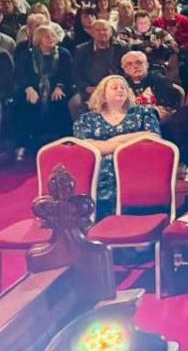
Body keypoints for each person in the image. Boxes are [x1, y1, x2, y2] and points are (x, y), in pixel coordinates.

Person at [72, 75, 162, 216]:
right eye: (114, 88)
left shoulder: (143, 113)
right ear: (103, 94)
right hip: (101, 173)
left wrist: (111, 142)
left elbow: (153, 137)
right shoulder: (87, 119)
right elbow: (88, 147)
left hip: (136, 166)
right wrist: (135, 139)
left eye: (123, 88)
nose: (120, 90)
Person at [14, 25, 74, 158]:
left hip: (57, 88)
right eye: (47, 36)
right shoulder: (28, 55)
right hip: (32, 88)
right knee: (23, 104)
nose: (51, 39)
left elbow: (68, 75)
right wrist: (29, 88)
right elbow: (20, 75)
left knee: (60, 101)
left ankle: (65, 141)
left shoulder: (64, 54)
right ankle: (22, 145)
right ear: (39, 39)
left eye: (53, 36)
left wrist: (60, 87)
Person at [70, 19, 128, 119]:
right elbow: (76, 74)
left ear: (111, 31)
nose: (102, 33)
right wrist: (86, 87)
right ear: (92, 32)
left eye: (105, 30)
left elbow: (125, 71)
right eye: (98, 30)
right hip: (90, 89)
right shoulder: (81, 50)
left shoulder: (122, 48)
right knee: (75, 104)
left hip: (115, 88)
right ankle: (82, 132)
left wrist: (113, 87)